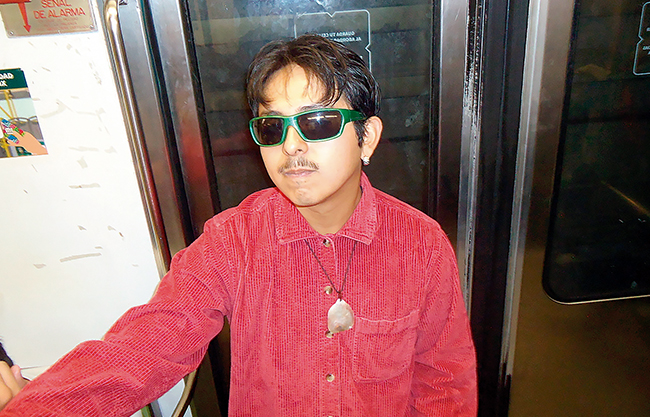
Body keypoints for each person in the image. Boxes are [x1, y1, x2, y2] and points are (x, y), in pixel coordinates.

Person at [0, 34, 477, 416]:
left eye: (316, 123)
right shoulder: (233, 241)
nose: (291, 146)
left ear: (366, 137)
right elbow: (150, 343)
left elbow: (444, 383)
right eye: (273, 127)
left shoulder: (421, 245)